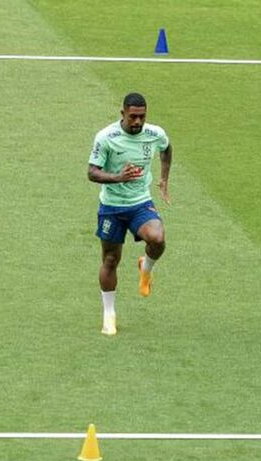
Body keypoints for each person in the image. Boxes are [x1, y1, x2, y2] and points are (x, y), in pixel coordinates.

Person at [88, 92, 172, 336]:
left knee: (157, 239)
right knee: (111, 260)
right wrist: (118, 177)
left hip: (139, 203)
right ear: (122, 114)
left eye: (142, 117)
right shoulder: (106, 138)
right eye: (133, 116)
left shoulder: (154, 134)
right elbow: (92, 172)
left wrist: (164, 179)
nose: (137, 122)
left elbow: (166, 149)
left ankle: (146, 267)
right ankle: (109, 314)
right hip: (111, 207)